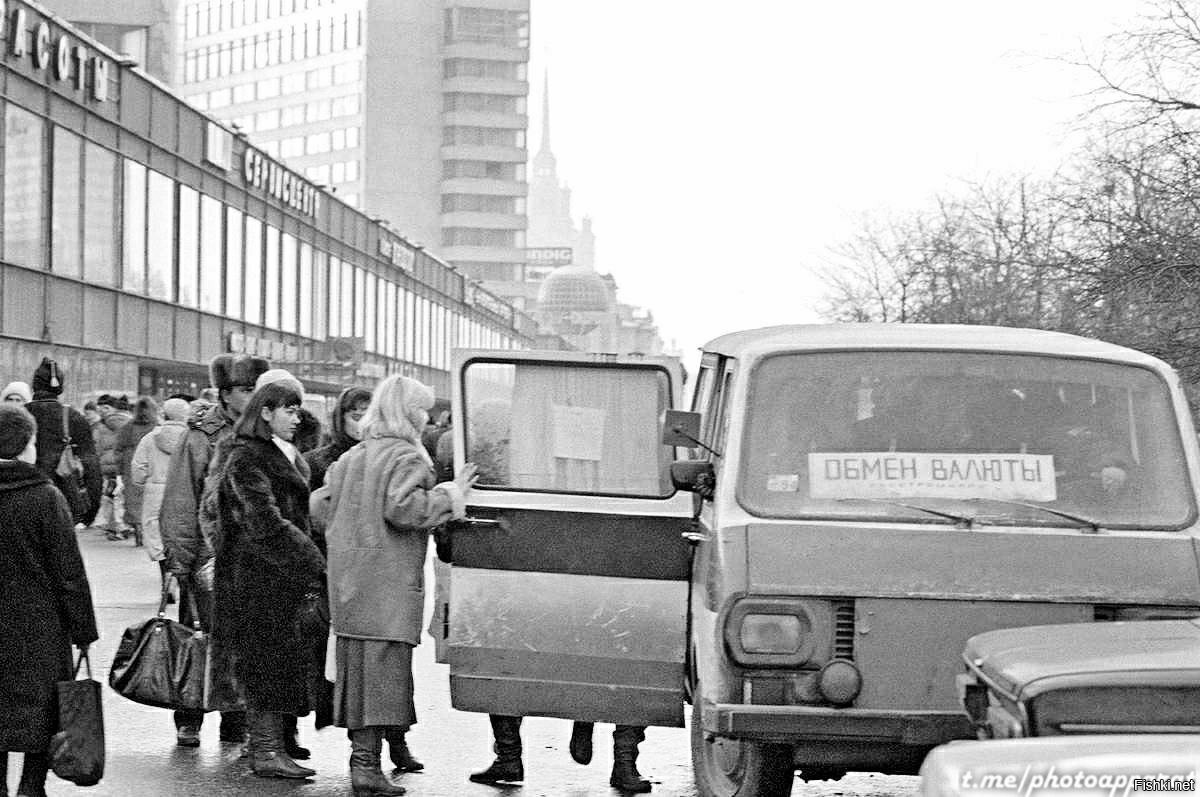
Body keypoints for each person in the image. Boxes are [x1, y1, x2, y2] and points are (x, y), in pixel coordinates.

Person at [323, 375, 476, 796]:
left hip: (350, 580)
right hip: (387, 582)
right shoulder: (408, 457)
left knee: (356, 675)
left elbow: (321, 505)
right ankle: (367, 768)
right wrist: (450, 495)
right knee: (384, 676)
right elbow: (404, 509)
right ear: (409, 412)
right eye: (422, 409)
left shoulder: (355, 454)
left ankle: (363, 760)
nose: (427, 417)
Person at [212, 381, 325, 780]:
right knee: (263, 661)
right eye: (289, 410)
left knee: (275, 660)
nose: (297, 418)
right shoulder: (246, 456)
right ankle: (265, 750)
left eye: (298, 411)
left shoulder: (279, 453)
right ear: (265, 412)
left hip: (276, 575)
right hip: (256, 577)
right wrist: (313, 558)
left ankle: (271, 747)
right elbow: (262, 521)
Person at [159, 353, 270, 747]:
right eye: (244, 389)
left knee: (245, 640)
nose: (252, 396)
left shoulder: (265, 431)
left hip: (253, 556)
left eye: (256, 388)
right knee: (199, 637)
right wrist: (180, 557)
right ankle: (189, 714)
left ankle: (235, 717)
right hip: (209, 556)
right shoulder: (200, 436)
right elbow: (179, 498)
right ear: (225, 393)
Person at [0, 404, 98, 797]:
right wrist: (83, 629)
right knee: (41, 707)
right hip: (38, 626)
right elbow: (68, 572)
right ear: (28, 444)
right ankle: (31, 786)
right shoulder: (44, 497)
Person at [26, 357, 102, 528]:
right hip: (63, 501)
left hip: (20, 499)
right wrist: (90, 510)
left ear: (34, 386)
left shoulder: (16, 416)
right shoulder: (73, 418)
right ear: (60, 387)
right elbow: (91, 465)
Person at [130, 398, 191, 602]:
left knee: (158, 538)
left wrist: (143, 482)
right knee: (182, 535)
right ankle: (183, 583)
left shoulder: (150, 439)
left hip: (155, 492)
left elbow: (138, 470)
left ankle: (166, 579)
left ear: (164, 415)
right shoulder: (191, 438)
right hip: (184, 492)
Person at [304, 385, 372, 491]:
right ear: (341, 419)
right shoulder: (315, 462)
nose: (363, 424)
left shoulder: (380, 460)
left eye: (369, 418)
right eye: (356, 417)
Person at [116, 396, 160, 547]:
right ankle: (149, 531)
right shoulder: (157, 426)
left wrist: (120, 470)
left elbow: (119, 449)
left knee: (133, 500)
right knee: (151, 499)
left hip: (131, 467)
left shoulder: (128, 427)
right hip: (153, 465)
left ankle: (138, 528)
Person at [93, 394, 133, 540]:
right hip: (121, 465)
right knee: (117, 496)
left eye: (106, 408)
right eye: (100, 408)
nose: (102, 411)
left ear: (113, 408)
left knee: (112, 495)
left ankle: (115, 526)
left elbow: (98, 446)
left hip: (110, 466)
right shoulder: (128, 422)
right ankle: (119, 526)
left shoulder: (104, 424)